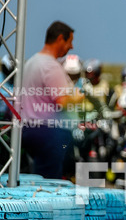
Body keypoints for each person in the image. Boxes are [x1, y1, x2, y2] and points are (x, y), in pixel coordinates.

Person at [20, 20, 83, 179]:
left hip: (29, 129)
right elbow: (62, 102)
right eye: (70, 42)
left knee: (38, 177)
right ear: (60, 38)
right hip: (48, 133)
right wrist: (77, 98)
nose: (71, 47)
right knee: (48, 183)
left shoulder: (32, 62)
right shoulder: (51, 66)